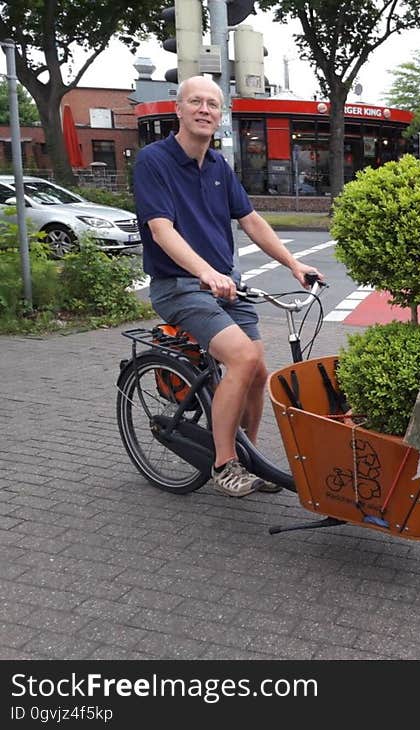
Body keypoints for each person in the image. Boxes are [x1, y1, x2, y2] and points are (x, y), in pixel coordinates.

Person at [133, 75, 322, 498]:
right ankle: (224, 464)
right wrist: (205, 272)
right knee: (239, 358)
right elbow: (162, 230)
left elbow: (250, 220)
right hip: (180, 286)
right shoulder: (154, 160)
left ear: (221, 116)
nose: (205, 109)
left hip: (226, 287)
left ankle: (247, 456)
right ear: (178, 109)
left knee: (257, 371)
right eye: (195, 101)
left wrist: (293, 263)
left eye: (213, 104)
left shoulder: (218, 165)